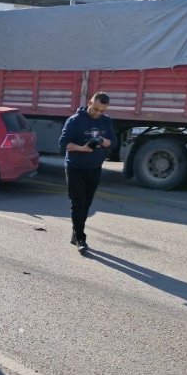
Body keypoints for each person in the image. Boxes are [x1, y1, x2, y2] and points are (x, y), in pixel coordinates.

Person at [59, 91, 116, 254]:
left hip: (94, 168)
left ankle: (75, 232)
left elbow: (114, 142)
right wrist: (82, 148)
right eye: (95, 108)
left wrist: (103, 141)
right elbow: (64, 144)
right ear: (90, 102)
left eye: (102, 111)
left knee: (87, 204)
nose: (97, 113)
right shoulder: (75, 121)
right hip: (75, 168)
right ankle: (80, 238)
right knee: (78, 204)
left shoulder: (106, 122)